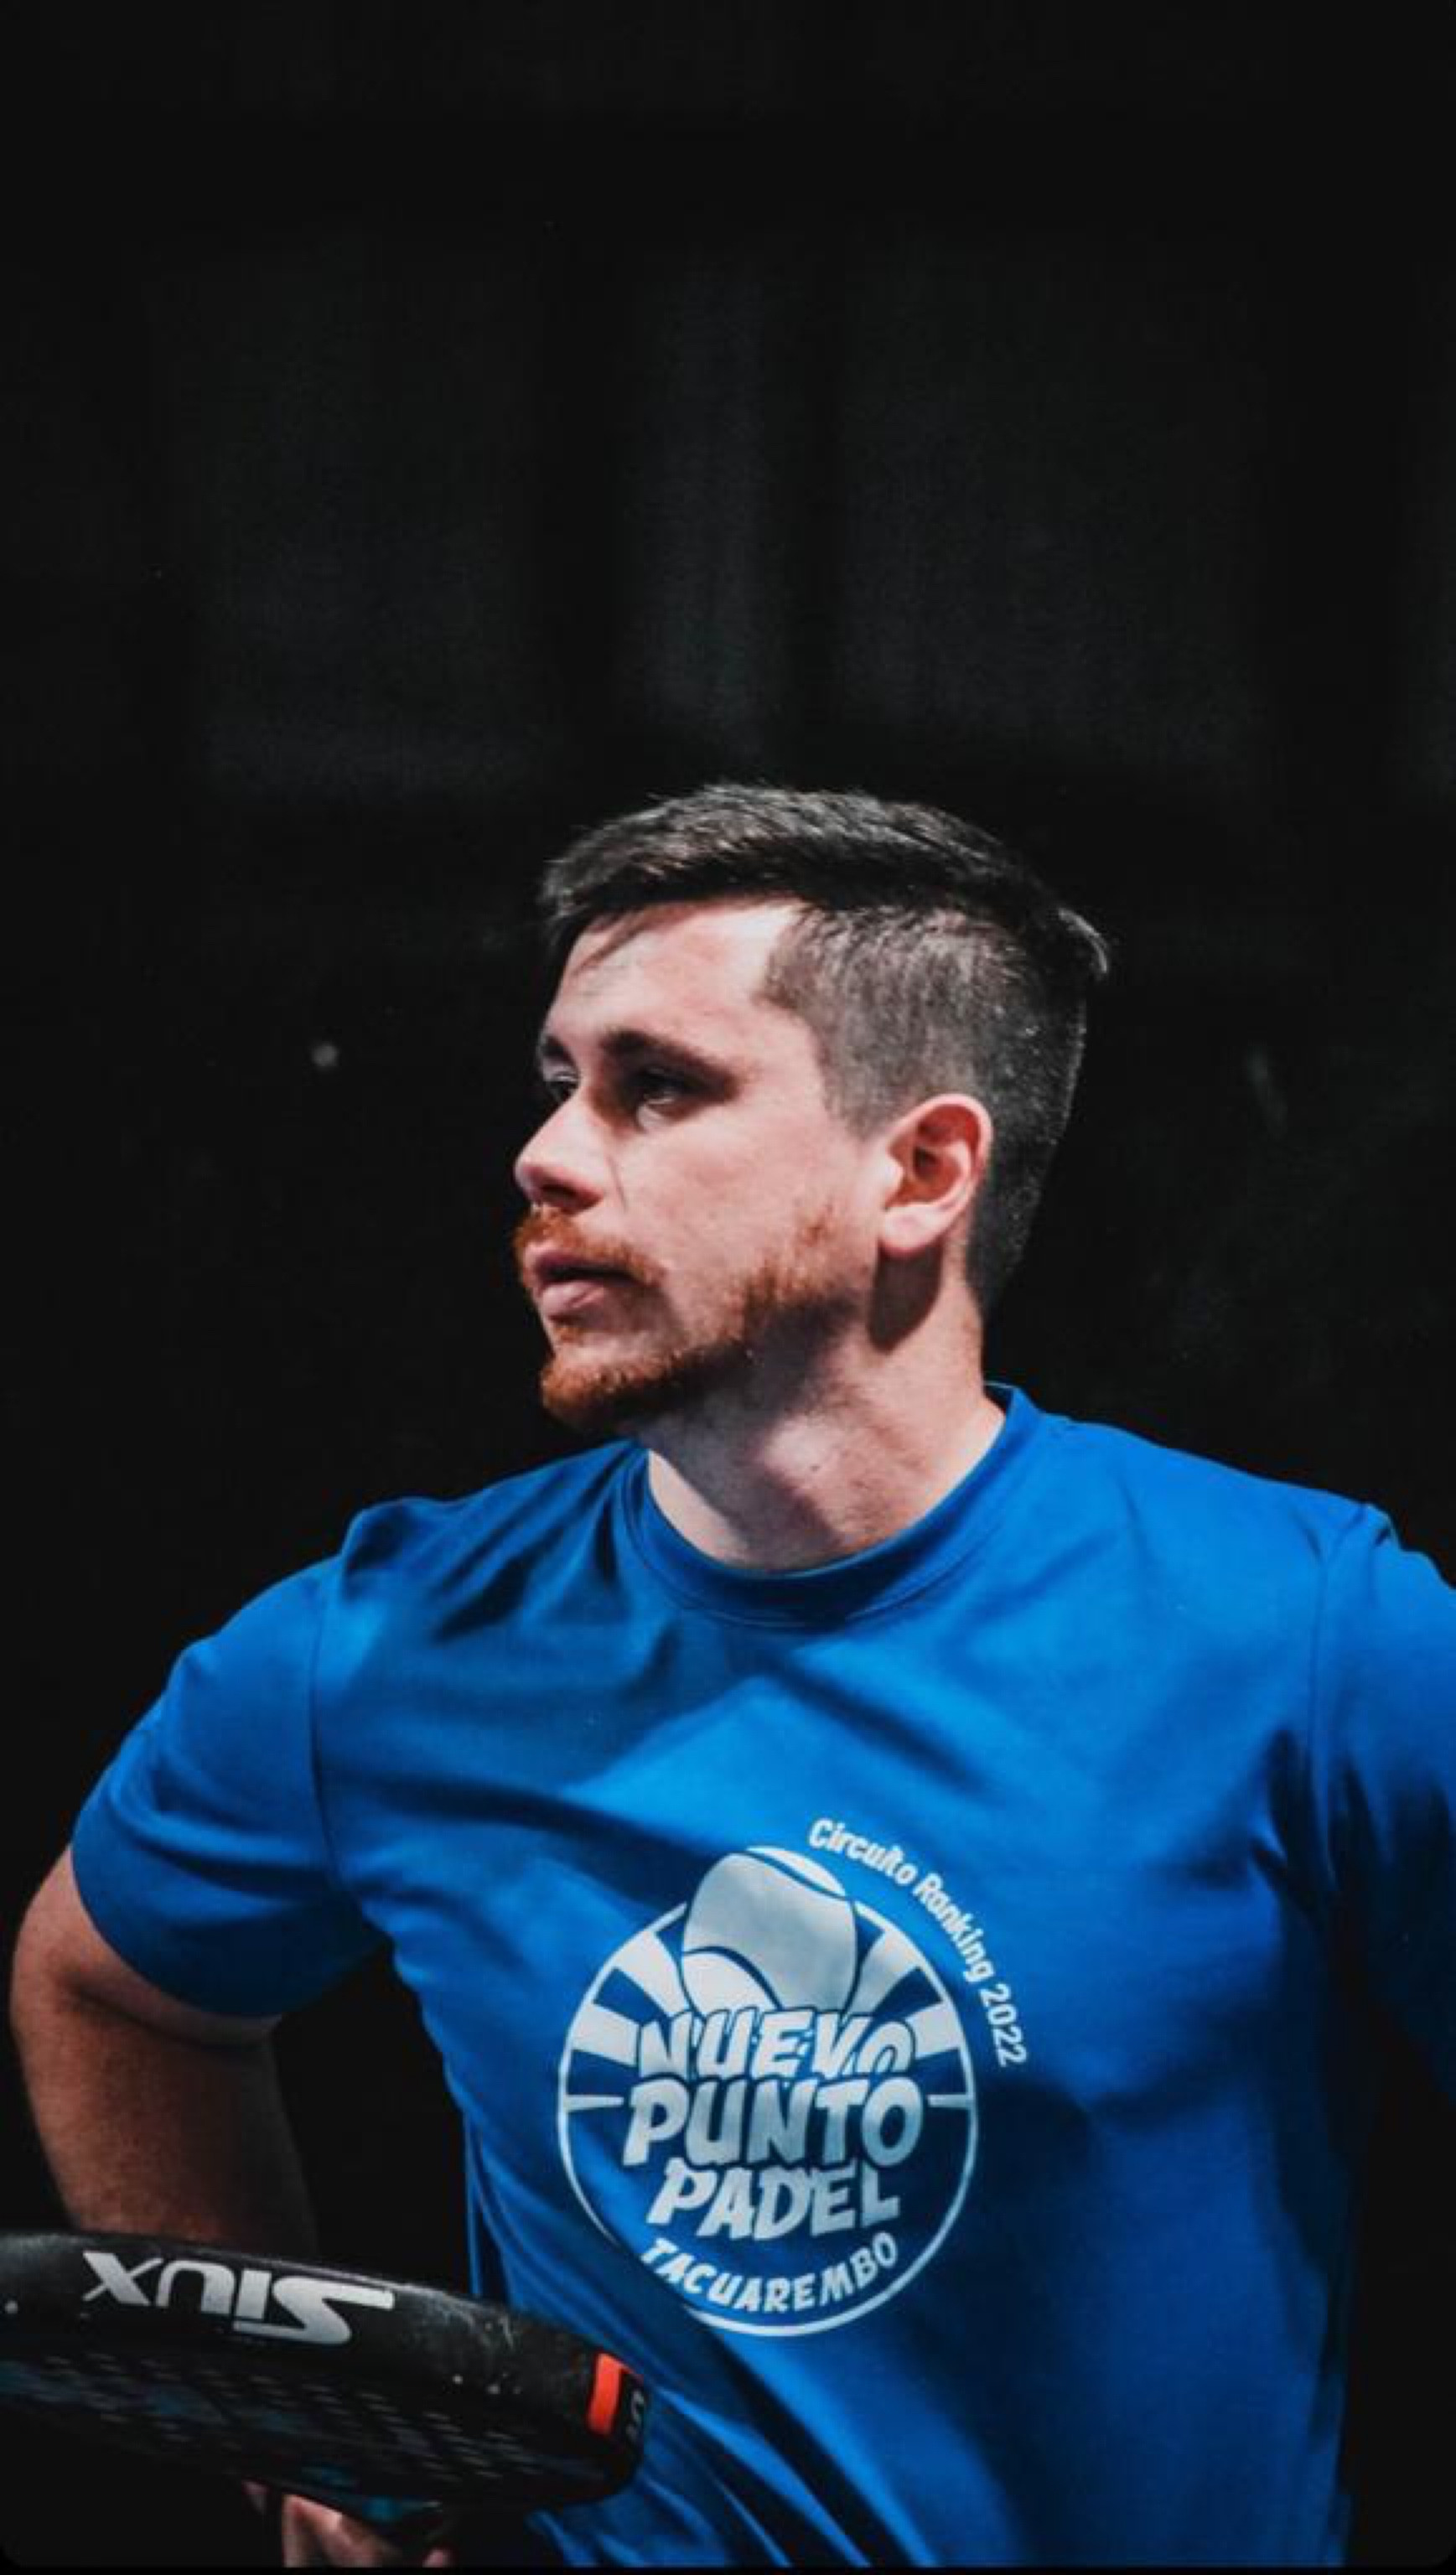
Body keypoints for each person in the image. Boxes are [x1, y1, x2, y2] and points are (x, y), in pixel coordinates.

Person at [9, 783, 1455, 2570]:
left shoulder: (1310, 1641)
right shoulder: (370, 1651)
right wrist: (297, 2438)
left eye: (656, 1088)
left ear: (918, 1172)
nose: (547, 1154)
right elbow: (110, 1989)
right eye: (558, 1080)